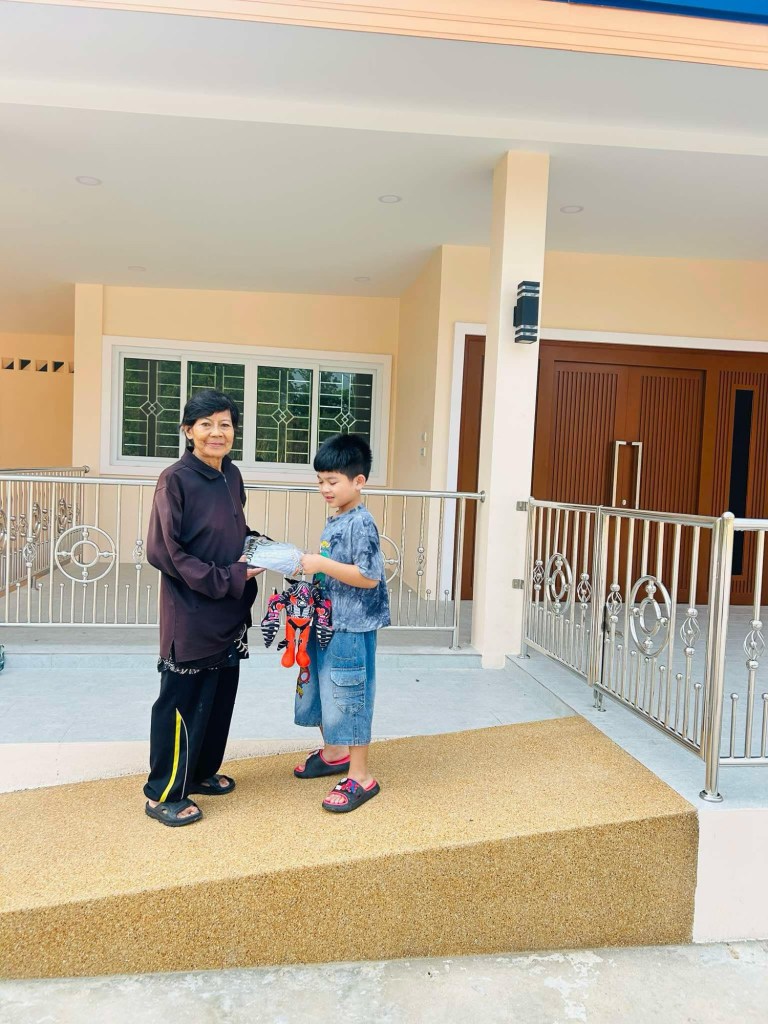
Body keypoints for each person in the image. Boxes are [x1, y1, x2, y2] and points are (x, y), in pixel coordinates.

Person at [143, 389, 263, 827]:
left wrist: (261, 548)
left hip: (228, 613)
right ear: (188, 431)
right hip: (191, 613)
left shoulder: (231, 474)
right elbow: (165, 552)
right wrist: (226, 577)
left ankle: (200, 772)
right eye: (206, 424)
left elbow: (233, 530)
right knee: (181, 703)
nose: (217, 432)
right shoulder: (174, 479)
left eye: (225, 424)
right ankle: (164, 792)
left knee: (218, 699)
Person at [294, 433, 390, 812]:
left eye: (332, 481)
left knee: (350, 695)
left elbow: (368, 576)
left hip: (351, 627)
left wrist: (320, 564)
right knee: (321, 688)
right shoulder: (338, 517)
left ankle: (361, 776)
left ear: (358, 481)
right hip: (327, 622)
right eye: (320, 481)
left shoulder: (361, 523)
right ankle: (335, 752)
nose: (325, 489)